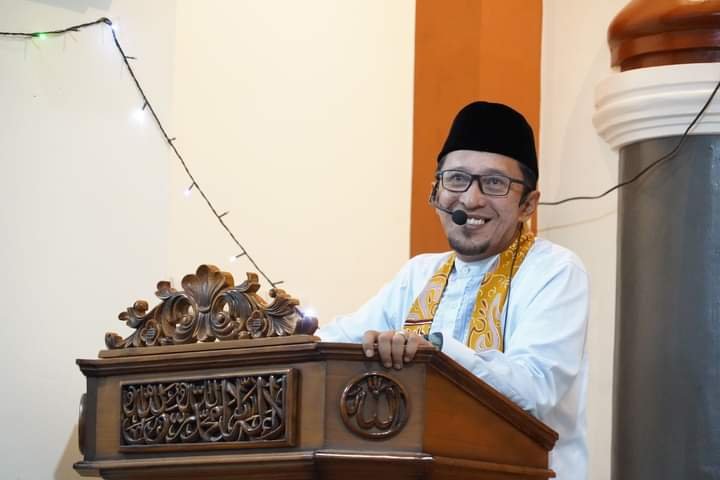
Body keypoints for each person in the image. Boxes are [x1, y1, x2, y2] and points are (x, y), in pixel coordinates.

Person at [316, 101, 589, 480]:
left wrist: (435, 351)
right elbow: (334, 343)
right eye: (457, 179)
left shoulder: (554, 270)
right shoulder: (418, 274)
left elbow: (535, 391)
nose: (471, 199)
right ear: (436, 192)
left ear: (528, 204)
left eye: (494, 183)